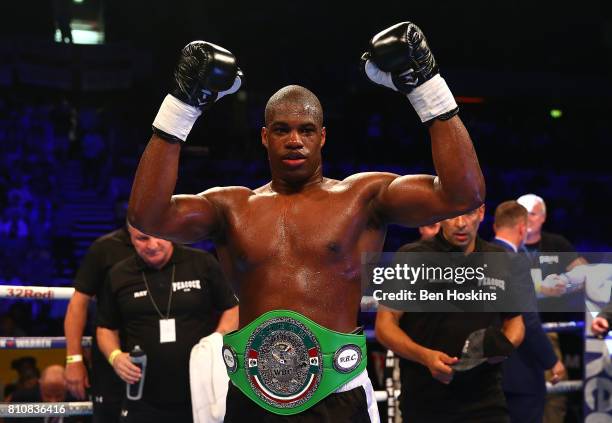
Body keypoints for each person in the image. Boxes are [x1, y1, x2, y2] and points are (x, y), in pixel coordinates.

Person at [127, 22, 485, 421]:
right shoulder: (231, 206)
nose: (294, 140)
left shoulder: (362, 198)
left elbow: (464, 194)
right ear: (264, 136)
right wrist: (183, 105)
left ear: (323, 137)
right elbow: (147, 215)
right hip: (251, 396)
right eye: (281, 130)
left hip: (337, 397)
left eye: (305, 130)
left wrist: (424, 86)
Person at [375, 205, 525, 422]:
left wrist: (504, 345)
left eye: (469, 213)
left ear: (481, 213)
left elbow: (515, 321)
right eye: (452, 214)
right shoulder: (413, 257)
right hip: (426, 404)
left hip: (487, 401)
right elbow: (384, 325)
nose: (461, 223)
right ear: (439, 214)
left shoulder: (498, 258)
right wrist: (425, 356)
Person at [96, 225, 239, 423]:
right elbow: (105, 327)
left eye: (159, 236)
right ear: (131, 238)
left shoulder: (201, 262)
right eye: (142, 239)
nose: (152, 245)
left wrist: (217, 341)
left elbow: (232, 307)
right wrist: (115, 357)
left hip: (201, 390)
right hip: (143, 394)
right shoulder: (119, 274)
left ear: (170, 233)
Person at [492, 200, 565, 423]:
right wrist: (552, 361)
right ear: (523, 229)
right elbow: (528, 320)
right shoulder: (517, 261)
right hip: (520, 371)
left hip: (489, 372)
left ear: (495, 227)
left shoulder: (480, 256)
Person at [64, 226, 135, 423]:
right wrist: (74, 359)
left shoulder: (173, 244)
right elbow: (77, 305)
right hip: (111, 356)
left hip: (162, 359)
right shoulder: (105, 248)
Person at [8, 364, 84, 423]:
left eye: (58, 396)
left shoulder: (79, 400)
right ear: (40, 386)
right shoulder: (22, 400)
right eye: (47, 395)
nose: (53, 402)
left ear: (67, 388)